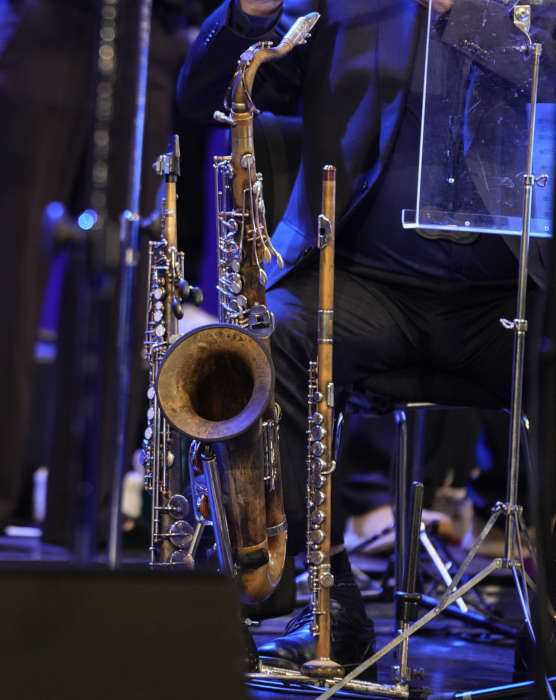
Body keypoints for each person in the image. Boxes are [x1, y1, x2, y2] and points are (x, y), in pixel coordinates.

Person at [176, 0, 555, 675]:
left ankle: (550, 611)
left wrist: (466, 16)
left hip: (508, 297)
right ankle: (323, 605)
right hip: (360, 283)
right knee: (267, 339)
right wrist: (248, 15)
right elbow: (204, 91)